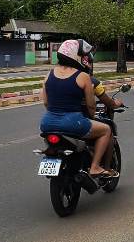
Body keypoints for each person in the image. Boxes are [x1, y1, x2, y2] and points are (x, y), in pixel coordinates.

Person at [39, 39, 118, 178]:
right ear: (76, 56)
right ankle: (95, 167)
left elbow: (46, 102)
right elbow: (91, 105)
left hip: (46, 123)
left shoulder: (49, 74)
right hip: (73, 122)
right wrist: (91, 116)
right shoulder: (83, 76)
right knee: (106, 130)